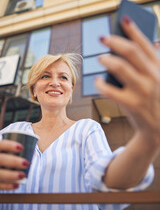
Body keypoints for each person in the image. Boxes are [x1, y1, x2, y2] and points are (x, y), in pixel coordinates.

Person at [0, 16, 159, 210]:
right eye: (45, 76)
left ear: (70, 90)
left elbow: (109, 184)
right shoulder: (12, 132)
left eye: (63, 77)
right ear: (34, 89)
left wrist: (149, 138)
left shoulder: (86, 129)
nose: (55, 82)